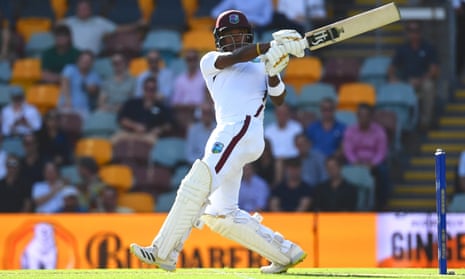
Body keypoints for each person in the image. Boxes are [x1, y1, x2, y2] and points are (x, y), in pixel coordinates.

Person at [130, 9, 309, 274]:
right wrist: (269, 47)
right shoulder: (211, 61)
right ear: (219, 39)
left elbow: (279, 99)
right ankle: (285, 253)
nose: (235, 40)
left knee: (196, 184)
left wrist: (273, 70)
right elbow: (236, 57)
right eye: (230, 35)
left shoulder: (261, 66)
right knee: (219, 214)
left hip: (243, 128)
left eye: (240, 35)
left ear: (247, 36)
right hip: (230, 133)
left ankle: (163, 251)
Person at [388, 20, 439, 130]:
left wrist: (420, 80)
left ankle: (425, 121)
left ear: (420, 32)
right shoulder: (402, 48)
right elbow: (392, 68)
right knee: (392, 85)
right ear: (407, 33)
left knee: (428, 86)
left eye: (416, 30)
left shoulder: (428, 47)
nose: (413, 33)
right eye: (410, 30)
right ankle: (398, 123)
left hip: (422, 81)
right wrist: (394, 79)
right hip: (406, 82)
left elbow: (434, 70)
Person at [342, 103, 390, 211]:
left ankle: (381, 202)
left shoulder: (379, 131)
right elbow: (348, 150)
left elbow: (381, 151)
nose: (363, 118)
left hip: (373, 163)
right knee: (342, 171)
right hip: (355, 162)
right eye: (360, 115)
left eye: (366, 115)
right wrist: (355, 162)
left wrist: (373, 163)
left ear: (371, 116)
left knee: (383, 172)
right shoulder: (350, 131)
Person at [59, 0, 145, 55]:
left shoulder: (99, 22)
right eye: (80, 9)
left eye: (85, 9)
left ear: (90, 10)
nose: (82, 11)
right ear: (76, 10)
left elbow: (118, 29)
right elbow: (55, 27)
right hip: (72, 58)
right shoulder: (69, 22)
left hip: (93, 59)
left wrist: (136, 25)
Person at [113, 76, 175, 145]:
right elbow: (121, 119)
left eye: (152, 89)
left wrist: (160, 129)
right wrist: (135, 126)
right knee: (115, 138)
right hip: (130, 133)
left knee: (156, 143)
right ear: (143, 89)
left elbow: (169, 124)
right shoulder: (132, 103)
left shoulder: (161, 107)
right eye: (147, 89)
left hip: (148, 136)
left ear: (156, 90)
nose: (149, 92)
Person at [60, 50, 102, 117]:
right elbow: (65, 83)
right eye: (83, 59)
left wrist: (90, 88)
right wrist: (68, 101)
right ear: (78, 60)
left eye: (88, 60)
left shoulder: (94, 75)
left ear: (92, 63)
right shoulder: (70, 69)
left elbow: (94, 90)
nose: (85, 62)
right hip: (66, 105)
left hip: (84, 109)